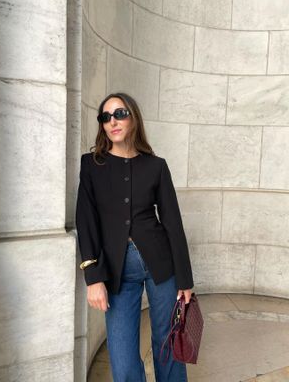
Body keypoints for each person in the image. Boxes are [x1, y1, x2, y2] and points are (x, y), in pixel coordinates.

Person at [75, 92, 194, 382]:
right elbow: (85, 220)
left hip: (160, 264)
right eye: (106, 117)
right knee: (123, 357)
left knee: (167, 343)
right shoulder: (92, 165)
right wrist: (93, 277)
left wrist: (185, 280)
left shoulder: (156, 166)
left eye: (119, 114)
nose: (112, 121)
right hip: (116, 268)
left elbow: (172, 223)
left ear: (133, 118)